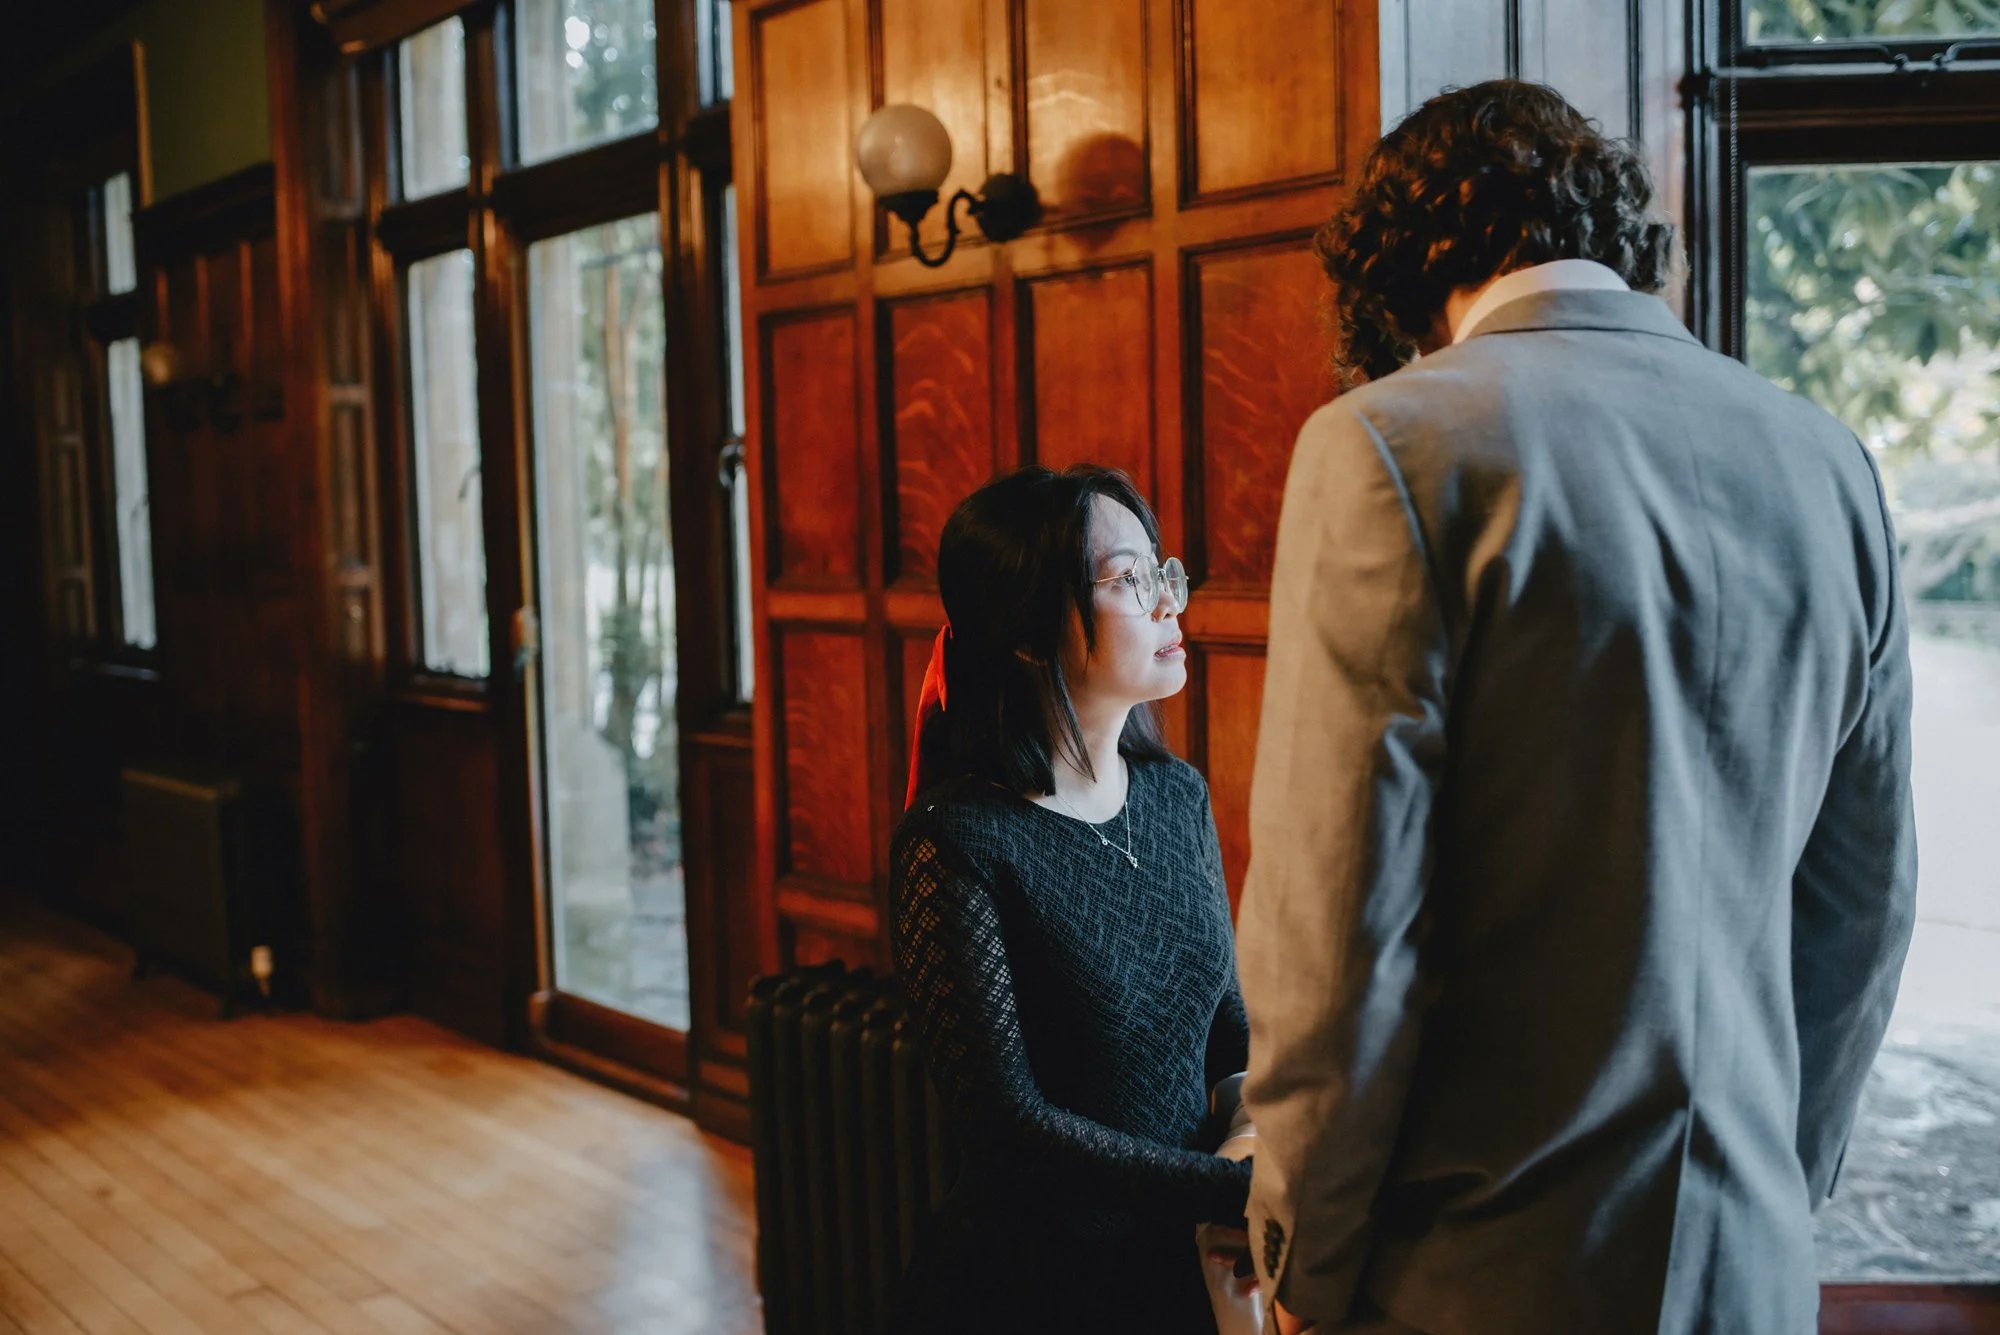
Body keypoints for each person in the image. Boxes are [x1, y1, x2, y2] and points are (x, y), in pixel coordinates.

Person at [1236, 80, 1917, 1335]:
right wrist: (1769, 1181)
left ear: (1399, 265)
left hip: (1476, 1276)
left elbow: (1333, 933)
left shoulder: (1389, 445)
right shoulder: (1826, 461)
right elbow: (1861, 907)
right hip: (1750, 1269)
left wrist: (1300, 1261)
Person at [889, 464, 1251, 1334]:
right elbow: (1012, 1132)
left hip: (1183, 1269)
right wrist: (1237, 1188)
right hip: (1034, 1289)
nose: (1171, 600)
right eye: (1128, 579)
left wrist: (1256, 1135)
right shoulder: (957, 838)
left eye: (1163, 569)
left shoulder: (1176, 795)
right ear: (1027, 630)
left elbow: (1224, 1028)